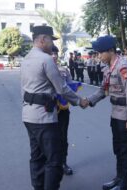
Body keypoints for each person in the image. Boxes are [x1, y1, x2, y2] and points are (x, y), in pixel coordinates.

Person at [20, 25, 88, 190]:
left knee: (36, 157)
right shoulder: (46, 59)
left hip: (28, 115)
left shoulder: (26, 59)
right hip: (44, 117)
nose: (52, 44)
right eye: (51, 40)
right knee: (54, 159)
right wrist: (79, 101)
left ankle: (38, 187)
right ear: (43, 39)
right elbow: (62, 88)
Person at [87, 35, 127, 190]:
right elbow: (103, 90)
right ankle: (119, 177)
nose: (98, 56)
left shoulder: (123, 67)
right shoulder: (109, 68)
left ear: (110, 50)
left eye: (100, 52)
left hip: (126, 116)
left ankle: (125, 183)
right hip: (115, 115)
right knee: (118, 148)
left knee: (126, 149)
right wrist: (89, 101)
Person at [51, 45, 73, 175]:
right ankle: (53, 164)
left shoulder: (64, 70)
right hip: (48, 109)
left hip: (63, 108)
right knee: (50, 138)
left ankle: (63, 162)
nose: (54, 56)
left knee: (63, 137)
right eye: (51, 53)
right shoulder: (42, 69)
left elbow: (70, 86)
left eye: (55, 53)